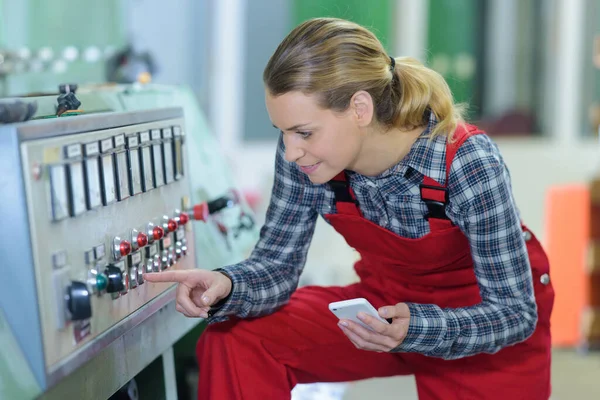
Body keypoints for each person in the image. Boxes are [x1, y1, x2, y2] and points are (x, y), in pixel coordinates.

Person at [144, 17, 554, 400]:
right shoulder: (307, 157)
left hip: (482, 328)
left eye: (303, 132)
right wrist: (227, 284)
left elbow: (514, 314)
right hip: (381, 310)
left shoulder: (466, 162)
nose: (290, 152)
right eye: (283, 133)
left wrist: (421, 328)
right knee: (236, 338)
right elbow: (277, 267)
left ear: (360, 108)